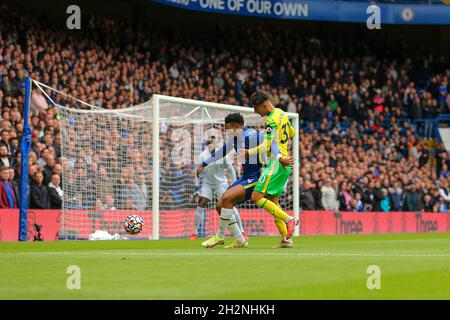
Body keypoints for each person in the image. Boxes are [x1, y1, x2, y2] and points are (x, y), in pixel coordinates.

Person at [197, 113, 292, 248]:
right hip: (247, 177)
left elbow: (272, 143)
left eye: (229, 129)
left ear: (239, 126)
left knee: (228, 198)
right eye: (226, 129)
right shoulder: (235, 139)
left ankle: (219, 236)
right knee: (220, 205)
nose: (228, 132)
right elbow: (222, 151)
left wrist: (280, 157)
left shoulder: (252, 135)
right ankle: (240, 240)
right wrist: (204, 164)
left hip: (258, 177)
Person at [247, 90, 297, 248]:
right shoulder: (282, 113)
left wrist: (249, 152)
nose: (255, 112)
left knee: (256, 196)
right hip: (284, 164)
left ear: (263, 105)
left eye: (256, 108)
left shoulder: (270, 120)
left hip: (278, 162)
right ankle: (285, 239)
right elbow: (292, 132)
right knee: (272, 202)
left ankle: (289, 220)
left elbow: (266, 146)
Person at [190, 132, 244, 241]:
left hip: (221, 183)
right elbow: (197, 172)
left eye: (213, 142)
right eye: (209, 143)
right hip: (208, 184)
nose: (211, 144)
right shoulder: (202, 155)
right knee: (201, 204)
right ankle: (194, 233)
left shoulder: (222, 155)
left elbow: (230, 170)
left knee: (229, 205)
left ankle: (242, 230)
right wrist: (196, 188)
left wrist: (234, 183)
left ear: (216, 143)